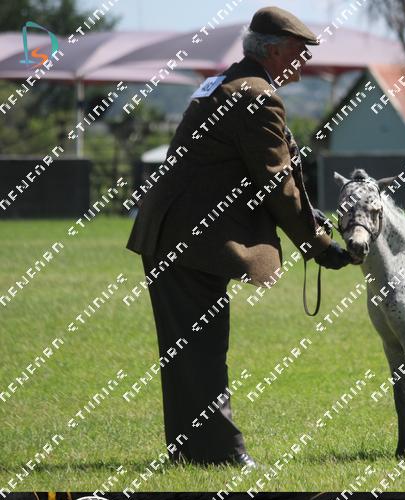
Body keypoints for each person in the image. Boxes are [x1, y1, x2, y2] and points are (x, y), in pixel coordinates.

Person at [125, 6, 352, 468]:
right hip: (189, 240)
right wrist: (318, 244)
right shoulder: (257, 96)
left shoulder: (226, 83)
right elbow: (276, 182)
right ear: (273, 51)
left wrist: (307, 217)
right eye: (299, 52)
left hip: (171, 234)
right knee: (203, 350)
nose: (304, 63)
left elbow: (247, 171)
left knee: (187, 351)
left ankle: (190, 451)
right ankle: (222, 455)